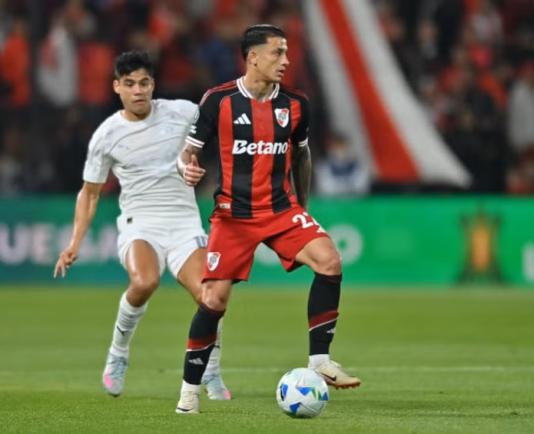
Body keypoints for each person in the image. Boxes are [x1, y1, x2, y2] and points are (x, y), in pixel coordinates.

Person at [174, 24, 361, 414]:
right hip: (233, 216)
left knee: (329, 261)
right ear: (253, 57)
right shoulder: (218, 100)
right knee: (213, 299)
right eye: (278, 52)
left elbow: (302, 155)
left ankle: (320, 361)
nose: (286, 60)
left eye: (287, 52)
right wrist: (186, 168)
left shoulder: (296, 104)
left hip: (281, 210)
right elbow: (188, 152)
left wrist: (302, 207)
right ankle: (189, 392)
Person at [53, 51, 230, 400]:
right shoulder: (107, 135)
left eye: (144, 83)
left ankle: (211, 369)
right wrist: (74, 242)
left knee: (211, 298)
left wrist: (202, 165)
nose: (138, 90)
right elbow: (89, 193)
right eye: (130, 83)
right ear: (117, 87)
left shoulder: (182, 112)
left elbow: (220, 125)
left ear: (153, 85)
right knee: (145, 281)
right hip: (140, 225)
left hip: (184, 223)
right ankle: (118, 353)